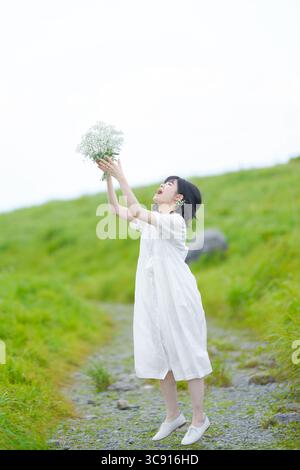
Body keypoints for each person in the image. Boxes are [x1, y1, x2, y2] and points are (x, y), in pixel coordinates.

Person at [97, 156, 213, 445]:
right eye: (163, 182)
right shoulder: (152, 223)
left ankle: (199, 418)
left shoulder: (173, 222)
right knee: (161, 355)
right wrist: (108, 178)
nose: (162, 186)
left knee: (187, 351)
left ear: (179, 197)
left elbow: (135, 208)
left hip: (178, 296)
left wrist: (122, 175)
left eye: (168, 184)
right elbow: (118, 210)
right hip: (155, 296)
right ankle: (173, 416)